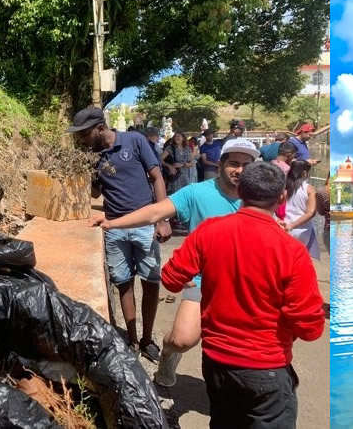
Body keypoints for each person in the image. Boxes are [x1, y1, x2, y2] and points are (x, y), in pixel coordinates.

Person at [160, 161, 324, 428]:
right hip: (267, 366)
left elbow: (170, 279)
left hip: (217, 364)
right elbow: (310, 327)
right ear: (282, 197)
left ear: (241, 192)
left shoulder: (208, 231)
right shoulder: (291, 251)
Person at [98, 138, 259, 387]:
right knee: (182, 340)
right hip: (204, 280)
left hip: (246, 282)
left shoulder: (261, 198)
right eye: (234, 163)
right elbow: (155, 212)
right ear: (220, 165)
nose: (240, 170)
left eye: (247, 165)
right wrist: (113, 223)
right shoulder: (197, 192)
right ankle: (168, 353)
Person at [70, 107, 171, 362]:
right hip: (114, 227)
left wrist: (162, 218)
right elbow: (94, 194)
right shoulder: (92, 156)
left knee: (150, 282)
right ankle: (134, 340)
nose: (81, 139)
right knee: (123, 283)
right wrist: (79, 173)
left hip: (145, 224)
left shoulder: (135, 141)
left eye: (84, 134)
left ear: (100, 129)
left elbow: (157, 178)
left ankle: (148, 340)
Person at [284, 160, 320, 260]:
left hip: (284, 227)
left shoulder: (284, 187)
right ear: (305, 173)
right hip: (303, 230)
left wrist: (288, 226)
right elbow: (310, 213)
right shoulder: (309, 189)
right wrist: (292, 226)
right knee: (303, 260)